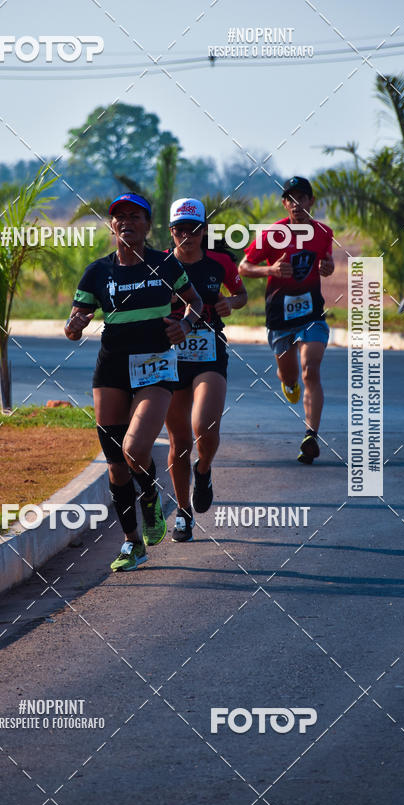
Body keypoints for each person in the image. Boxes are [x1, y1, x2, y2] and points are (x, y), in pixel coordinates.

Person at [65, 193, 203, 570]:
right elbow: (75, 323)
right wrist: (73, 326)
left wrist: (185, 325)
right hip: (110, 369)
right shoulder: (97, 272)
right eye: (119, 217)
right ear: (112, 226)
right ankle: (132, 543)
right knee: (114, 464)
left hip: (156, 366)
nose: (126, 222)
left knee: (135, 448)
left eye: (134, 216)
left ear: (148, 225)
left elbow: (196, 303)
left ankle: (150, 496)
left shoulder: (165, 265)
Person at [165, 198, 248, 541]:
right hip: (169, 356)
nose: (187, 235)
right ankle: (183, 513)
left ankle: (205, 469)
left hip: (210, 351)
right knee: (179, 439)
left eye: (194, 229)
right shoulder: (160, 266)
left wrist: (231, 302)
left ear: (204, 231)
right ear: (171, 232)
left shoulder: (221, 262)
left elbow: (241, 294)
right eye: (180, 229)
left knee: (204, 426)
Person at [238, 177, 334, 464]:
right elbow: (243, 267)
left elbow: (325, 265)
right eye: (291, 199)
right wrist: (271, 270)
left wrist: (327, 267)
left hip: (311, 315)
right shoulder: (272, 234)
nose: (296, 204)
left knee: (310, 370)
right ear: (285, 204)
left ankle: (311, 435)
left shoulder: (322, 232)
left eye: (302, 198)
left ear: (310, 202)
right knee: (291, 376)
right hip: (280, 317)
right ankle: (287, 382)